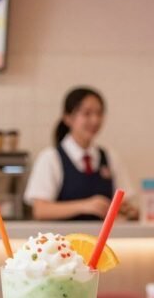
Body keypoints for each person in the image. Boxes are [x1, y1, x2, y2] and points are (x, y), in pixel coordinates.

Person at [24, 86, 137, 220]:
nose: (95, 120)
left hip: (102, 240)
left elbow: (125, 203)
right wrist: (86, 206)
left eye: (99, 113)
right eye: (87, 113)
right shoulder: (50, 158)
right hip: (64, 239)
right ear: (68, 118)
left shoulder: (111, 157)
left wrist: (129, 211)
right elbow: (40, 210)